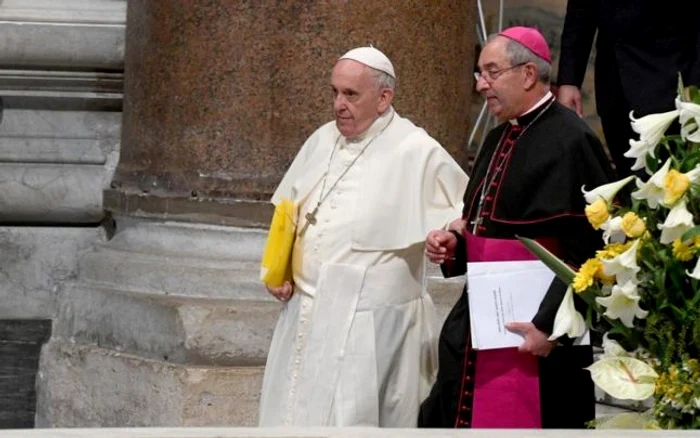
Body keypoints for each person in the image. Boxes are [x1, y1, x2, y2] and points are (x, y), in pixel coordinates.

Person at [258, 46, 469, 427]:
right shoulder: (322, 139)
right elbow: (289, 211)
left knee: (356, 416)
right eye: (334, 92)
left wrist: (449, 236)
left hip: (371, 322)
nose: (339, 104)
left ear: (384, 98)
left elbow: (465, 210)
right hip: (306, 309)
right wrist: (281, 269)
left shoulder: (415, 148)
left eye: (351, 95)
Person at [418, 27, 614, 429]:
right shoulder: (495, 138)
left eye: (491, 72)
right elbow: (486, 227)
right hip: (480, 323)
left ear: (527, 74)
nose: (480, 84)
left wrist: (550, 327)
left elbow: (595, 249)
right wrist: (455, 244)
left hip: (540, 334)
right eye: (478, 73)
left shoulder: (573, 140)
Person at [557, 0, 700, 177]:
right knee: (628, 183)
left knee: (672, 184)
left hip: (669, 82)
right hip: (613, 87)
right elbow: (580, 12)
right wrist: (569, 80)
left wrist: (694, 86)